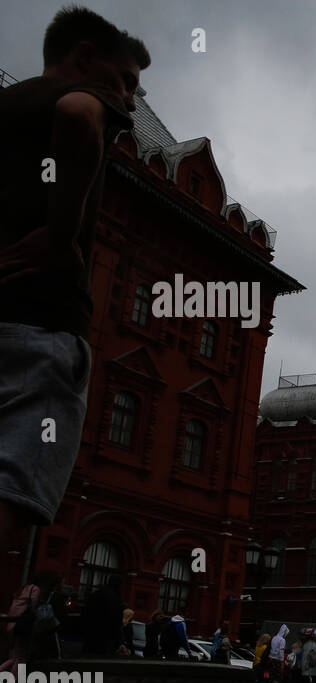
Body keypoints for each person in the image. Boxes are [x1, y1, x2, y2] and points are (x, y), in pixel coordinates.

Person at [0, 9, 149, 579]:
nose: (131, 103)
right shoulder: (81, 96)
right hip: (41, 332)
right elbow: (80, 113)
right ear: (86, 58)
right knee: (11, 499)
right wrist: (62, 237)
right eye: (128, 83)